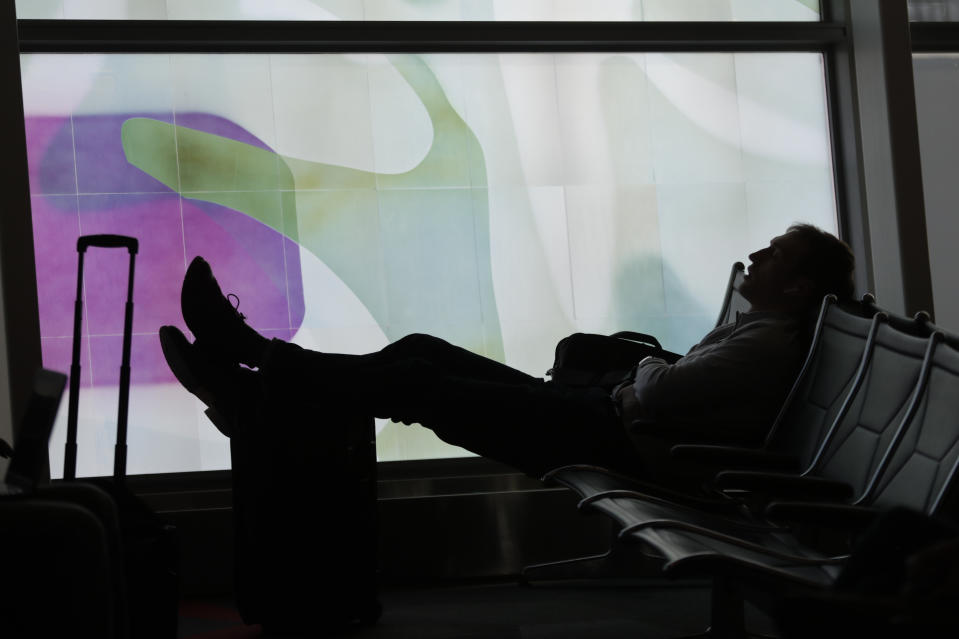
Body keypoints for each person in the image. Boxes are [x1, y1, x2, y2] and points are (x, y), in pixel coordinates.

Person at [159, 223, 854, 479]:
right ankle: (255, 382)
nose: (754, 255)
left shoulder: (765, 338)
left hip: (614, 437)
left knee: (419, 378)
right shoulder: (757, 328)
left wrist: (646, 373)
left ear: (796, 285)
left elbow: (664, 388)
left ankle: (251, 363)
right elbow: (668, 378)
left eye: (775, 254)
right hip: (599, 413)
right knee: (421, 352)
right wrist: (651, 375)